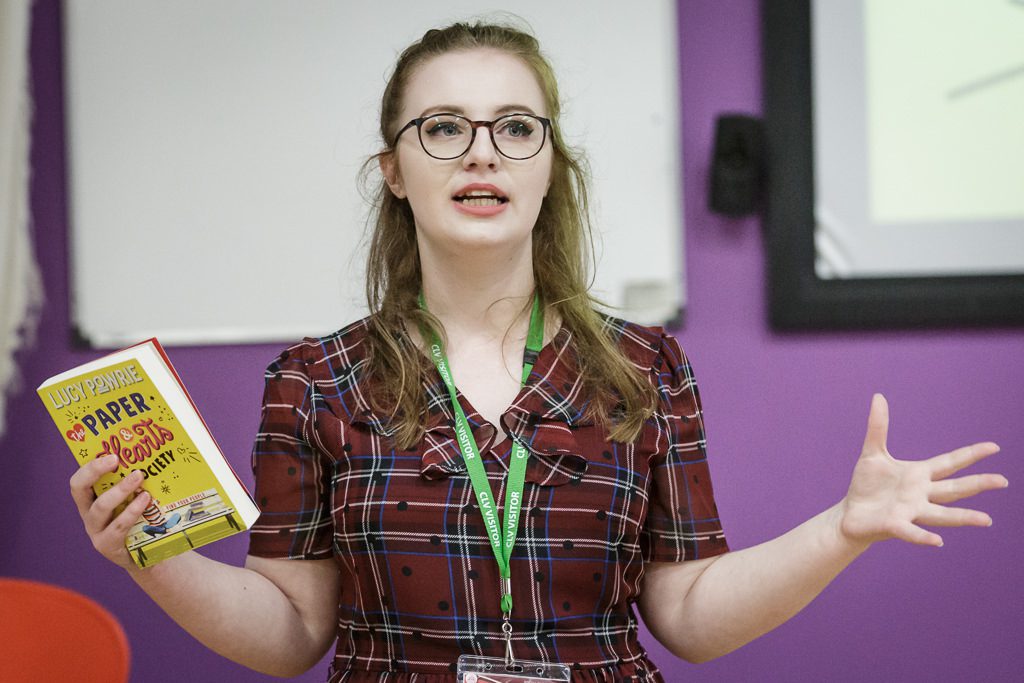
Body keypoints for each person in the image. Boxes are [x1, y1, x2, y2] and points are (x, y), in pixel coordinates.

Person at [69, 21, 1007, 683]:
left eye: (516, 128)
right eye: (444, 128)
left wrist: (840, 530)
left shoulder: (647, 369)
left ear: (548, 163)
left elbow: (688, 617)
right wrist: (147, 555)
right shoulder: (314, 380)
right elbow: (291, 632)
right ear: (394, 171)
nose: (483, 153)